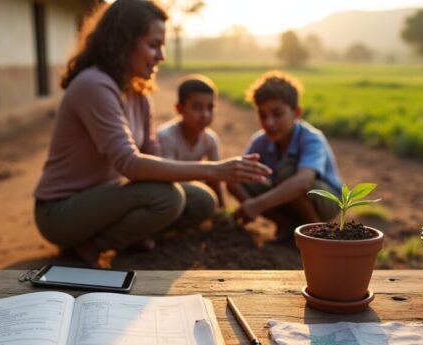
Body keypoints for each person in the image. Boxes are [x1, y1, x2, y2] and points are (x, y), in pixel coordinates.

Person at [33, 0, 271, 265]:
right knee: (167, 198)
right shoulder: (94, 85)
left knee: (202, 200)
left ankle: (133, 233)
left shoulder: (138, 93)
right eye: (154, 45)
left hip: (108, 197)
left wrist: (205, 178)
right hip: (61, 212)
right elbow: (130, 164)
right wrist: (212, 170)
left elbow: (151, 152)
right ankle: (93, 245)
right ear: (123, 43)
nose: (162, 56)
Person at [228, 70, 342, 241]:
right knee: (235, 176)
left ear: (296, 112)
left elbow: (303, 182)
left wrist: (256, 205)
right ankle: (284, 224)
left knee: (289, 173)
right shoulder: (260, 141)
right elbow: (237, 174)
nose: (269, 122)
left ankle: (316, 232)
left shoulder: (312, 138)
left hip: (325, 200)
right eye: (262, 115)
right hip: (288, 199)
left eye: (277, 114)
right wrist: (247, 203)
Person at [157, 74, 226, 209]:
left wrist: (222, 211)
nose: (205, 115)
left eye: (210, 108)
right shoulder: (166, 137)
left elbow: (215, 181)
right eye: (196, 107)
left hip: (191, 194)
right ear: (179, 109)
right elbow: (167, 179)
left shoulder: (210, 139)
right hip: (169, 195)